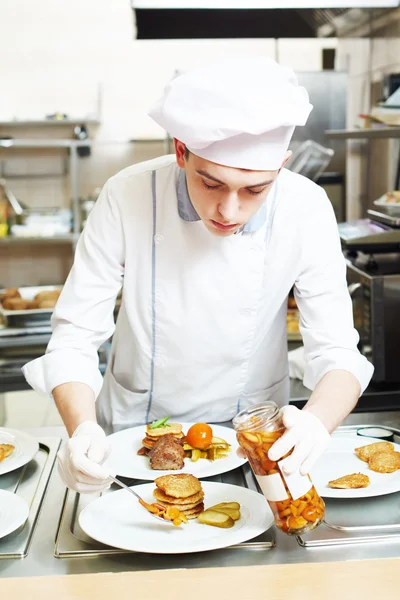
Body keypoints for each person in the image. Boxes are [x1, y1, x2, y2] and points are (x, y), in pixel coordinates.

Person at [22, 56, 373, 494]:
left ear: (281, 165)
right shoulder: (127, 195)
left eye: (255, 190)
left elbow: (338, 351)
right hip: (132, 439)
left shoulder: (307, 208)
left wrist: (318, 423)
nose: (229, 211)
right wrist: (82, 431)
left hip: (255, 445)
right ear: (181, 152)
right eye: (210, 184)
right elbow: (75, 337)